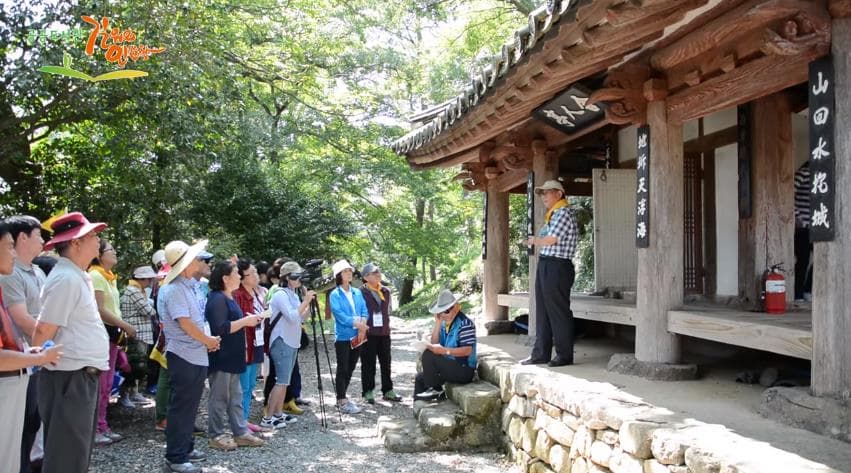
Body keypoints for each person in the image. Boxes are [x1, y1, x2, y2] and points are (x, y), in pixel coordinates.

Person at [33, 211, 110, 473]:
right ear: (75, 242)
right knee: (66, 455)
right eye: (92, 236)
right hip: (68, 377)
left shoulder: (76, 275)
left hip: (78, 375)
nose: (98, 242)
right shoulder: (66, 278)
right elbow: (44, 330)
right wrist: (36, 361)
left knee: (75, 452)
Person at [0, 220, 63, 473]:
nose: (13, 253)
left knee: (26, 431)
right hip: (11, 376)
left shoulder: (35, 272)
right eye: (9, 246)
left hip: (20, 370)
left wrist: (31, 354)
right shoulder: (10, 277)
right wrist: (38, 356)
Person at [159, 239, 221, 473]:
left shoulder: (190, 286)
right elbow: (184, 322)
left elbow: (196, 320)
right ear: (186, 264)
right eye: (198, 258)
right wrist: (208, 341)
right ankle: (175, 457)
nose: (202, 261)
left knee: (190, 406)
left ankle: (185, 448)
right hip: (184, 354)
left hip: (195, 353)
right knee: (182, 407)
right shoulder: (175, 289)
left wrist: (208, 341)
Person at [205, 261, 265, 450]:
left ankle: (240, 433)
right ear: (225, 278)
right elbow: (220, 328)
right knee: (219, 397)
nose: (240, 276)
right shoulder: (216, 299)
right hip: (222, 356)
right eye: (236, 273)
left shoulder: (227, 297)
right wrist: (245, 321)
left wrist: (247, 320)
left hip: (233, 356)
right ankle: (216, 435)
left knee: (236, 397)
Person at [520, 179, 579, 367]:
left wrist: (533, 241)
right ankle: (540, 353)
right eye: (542, 193)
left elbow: (552, 239)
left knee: (558, 311)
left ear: (559, 194)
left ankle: (564, 355)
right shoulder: (553, 215)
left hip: (557, 266)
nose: (543, 196)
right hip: (547, 264)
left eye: (547, 192)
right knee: (543, 311)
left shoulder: (563, 213)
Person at [89, 239, 136, 443]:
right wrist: (124, 325)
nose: (115, 252)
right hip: (103, 334)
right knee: (101, 383)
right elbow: (100, 310)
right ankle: (96, 428)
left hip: (112, 335)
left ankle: (102, 424)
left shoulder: (109, 278)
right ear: (99, 255)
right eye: (111, 249)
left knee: (108, 383)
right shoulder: (95, 276)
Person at [262, 261, 315, 428]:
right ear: (287, 278)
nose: (299, 280)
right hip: (281, 341)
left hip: (292, 340)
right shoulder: (280, 294)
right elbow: (292, 316)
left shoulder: (292, 294)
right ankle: (268, 417)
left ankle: (278, 413)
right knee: (281, 380)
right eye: (296, 276)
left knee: (285, 381)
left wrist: (308, 306)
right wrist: (305, 301)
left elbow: (300, 318)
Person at [414, 289, 477, 400]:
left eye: (446, 311)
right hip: (450, 365)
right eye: (441, 312)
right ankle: (419, 407)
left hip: (464, 369)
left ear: (456, 307)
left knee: (429, 355)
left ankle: (436, 390)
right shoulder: (444, 323)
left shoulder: (465, 324)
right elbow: (434, 343)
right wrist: (437, 323)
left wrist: (445, 351)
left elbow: (467, 350)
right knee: (420, 378)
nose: (444, 314)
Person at [328, 259, 368, 414]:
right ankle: (342, 399)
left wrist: (363, 325)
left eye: (350, 271)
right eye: (345, 271)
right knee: (343, 367)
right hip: (344, 336)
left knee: (351, 366)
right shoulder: (335, 294)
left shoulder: (357, 292)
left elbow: (364, 310)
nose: (349, 273)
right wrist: (358, 324)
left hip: (359, 335)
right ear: (339, 275)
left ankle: (342, 395)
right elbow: (339, 315)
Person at [231, 260, 267, 432]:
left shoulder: (257, 292)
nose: (255, 276)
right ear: (242, 278)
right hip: (245, 345)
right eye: (251, 273)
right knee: (243, 386)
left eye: (255, 272)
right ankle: (239, 422)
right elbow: (238, 321)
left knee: (251, 384)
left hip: (257, 342)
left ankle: (244, 419)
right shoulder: (237, 295)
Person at [359, 263, 401, 404]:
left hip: (384, 332)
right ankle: (368, 391)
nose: (378, 274)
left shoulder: (386, 291)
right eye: (374, 272)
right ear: (365, 277)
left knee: (386, 363)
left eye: (378, 271)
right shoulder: (361, 292)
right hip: (368, 333)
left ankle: (388, 390)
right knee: (368, 364)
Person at [120, 266, 159, 405]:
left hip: (142, 334)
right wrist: (152, 306)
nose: (150, 282)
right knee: (133, 366)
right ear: (141, 279)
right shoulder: (133, 291)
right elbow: (149, 311)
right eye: (149, 279)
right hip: (136, 334)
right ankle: (124, 395)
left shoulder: (139, 291)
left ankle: (134, 393)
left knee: (139, 365)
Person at [793, 162, 813, 301]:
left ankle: (807, 289)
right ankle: (798, 293)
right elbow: (788, 191)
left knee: (820, 260)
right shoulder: (805, 171)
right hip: (803, 226)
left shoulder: (823, 174)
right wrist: (796, 216)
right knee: (802, 261)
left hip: (817, 225)